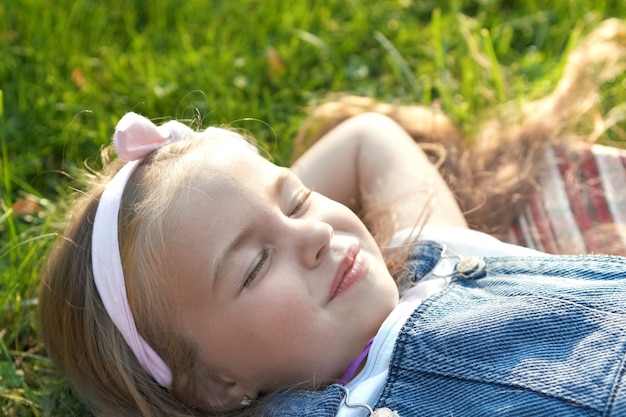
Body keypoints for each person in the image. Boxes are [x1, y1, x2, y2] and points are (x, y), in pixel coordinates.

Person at [38, 19, 626, 417]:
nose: (315, 235)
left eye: (295, 200)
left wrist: (226, 200)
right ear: (217, 383)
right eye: (255, 265)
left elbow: (369, 140)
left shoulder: (433, 261)